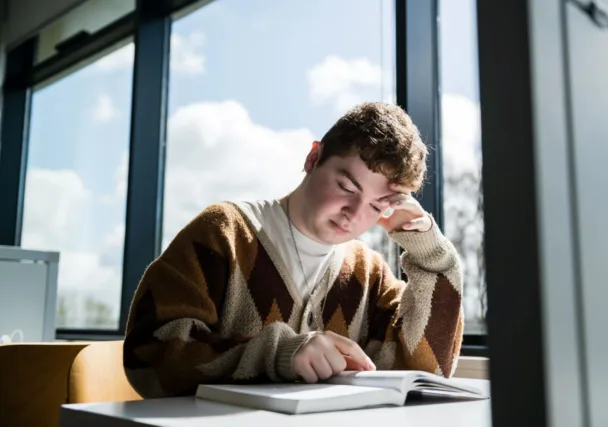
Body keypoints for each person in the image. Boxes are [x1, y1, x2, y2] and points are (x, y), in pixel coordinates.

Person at [123, 102, 464, 398]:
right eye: (346, 186)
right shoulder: (224, 232)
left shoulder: (368, 272)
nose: (355, 214)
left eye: (377, 206)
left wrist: (430, 254)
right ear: (313, 158)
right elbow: (151, 357)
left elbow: (425, 372)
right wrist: (278, 354)